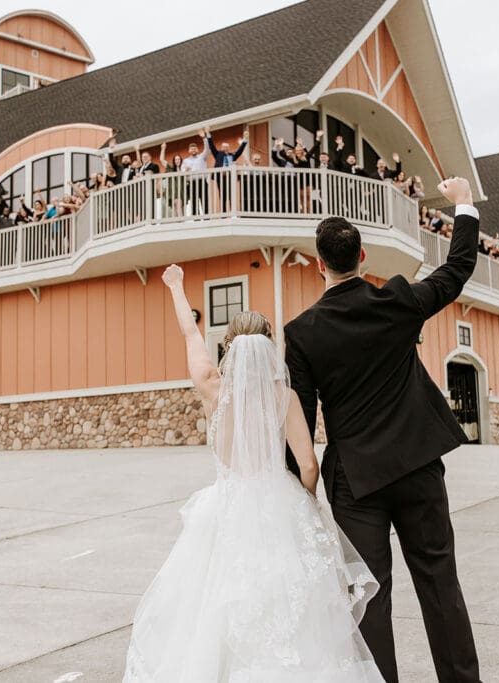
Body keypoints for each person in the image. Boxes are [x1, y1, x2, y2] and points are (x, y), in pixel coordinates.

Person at [124, 265, 384, 682]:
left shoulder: (212, 388)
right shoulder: (284, 397)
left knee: (213, 605)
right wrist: (309, 500)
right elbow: (308, 464)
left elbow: (191, 335)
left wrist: (176, 287)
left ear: (229, 346)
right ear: (267, 347)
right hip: (278, 505)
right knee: (289, 609)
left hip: (224, 506)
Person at [284, 176, 482, 682]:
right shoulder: (398, 302)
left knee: (370, 597)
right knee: (441, 583)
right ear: (363, 258)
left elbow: (301, 417)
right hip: (418, 467)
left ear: (319, 264)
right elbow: (456, 270)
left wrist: (296, 482)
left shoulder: (301, 334)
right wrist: (463, 205)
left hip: (356, 483)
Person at [207, 130, 248, 211]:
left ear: (229, 148)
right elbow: (212, 146)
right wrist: (208, 136)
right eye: (224, 147)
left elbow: (240, 150)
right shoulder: (218, 154)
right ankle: (224, 213)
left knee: (231, 195)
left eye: (227, 147)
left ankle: (232, 212)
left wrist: (245, 139)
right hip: (220, 177)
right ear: (221, 148)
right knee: (222, 195)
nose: (225, 148)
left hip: (230, 177)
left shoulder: (232, 155)